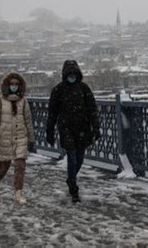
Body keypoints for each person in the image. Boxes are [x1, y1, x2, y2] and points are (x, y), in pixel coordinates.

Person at [46, 60, 100, 203]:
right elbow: (52, 113)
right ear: (65, 74)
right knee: (71, 157)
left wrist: (96, 127)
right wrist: (49, 131)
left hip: (82, 128)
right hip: (66, 128)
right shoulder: (58, 90)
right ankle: (73, 188)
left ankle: (71, 179)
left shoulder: (84, 89)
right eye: (69, 73)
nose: (72, 76)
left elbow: (92, 109)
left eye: (74, 73)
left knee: (80, 159)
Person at [0, 72, 35, 204]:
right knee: (4, 167)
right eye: (12, 84)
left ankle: (18, 193)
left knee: (20, 165)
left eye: (16, 84)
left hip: (21, 136)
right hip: (4, 137)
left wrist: (31, 138)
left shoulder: (23, 101)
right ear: (7, 85)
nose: (14, 86)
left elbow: (28, 121)